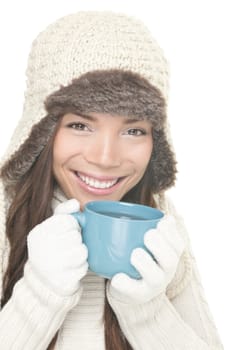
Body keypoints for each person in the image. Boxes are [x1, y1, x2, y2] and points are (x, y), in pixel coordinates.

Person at [0, 11, 223, 350]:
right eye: (80, 125)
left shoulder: (161, 223)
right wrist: (39, 296)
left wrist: (147, 313)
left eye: (133, 130)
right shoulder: (4, 216)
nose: (105, 158)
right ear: (42, 131)